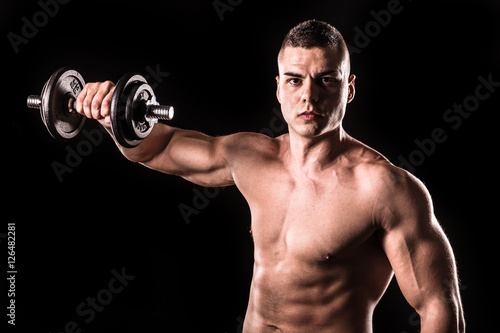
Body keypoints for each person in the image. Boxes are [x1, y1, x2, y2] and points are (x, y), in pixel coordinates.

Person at [74, 20, 465, 333]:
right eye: (295, 80)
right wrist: (114, 116)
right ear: (279, 88)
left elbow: (439, 306)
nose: (308, 96)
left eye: (326, 79)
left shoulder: (384, 189)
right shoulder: (251, 158)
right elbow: (155, 148)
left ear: (349, 89)